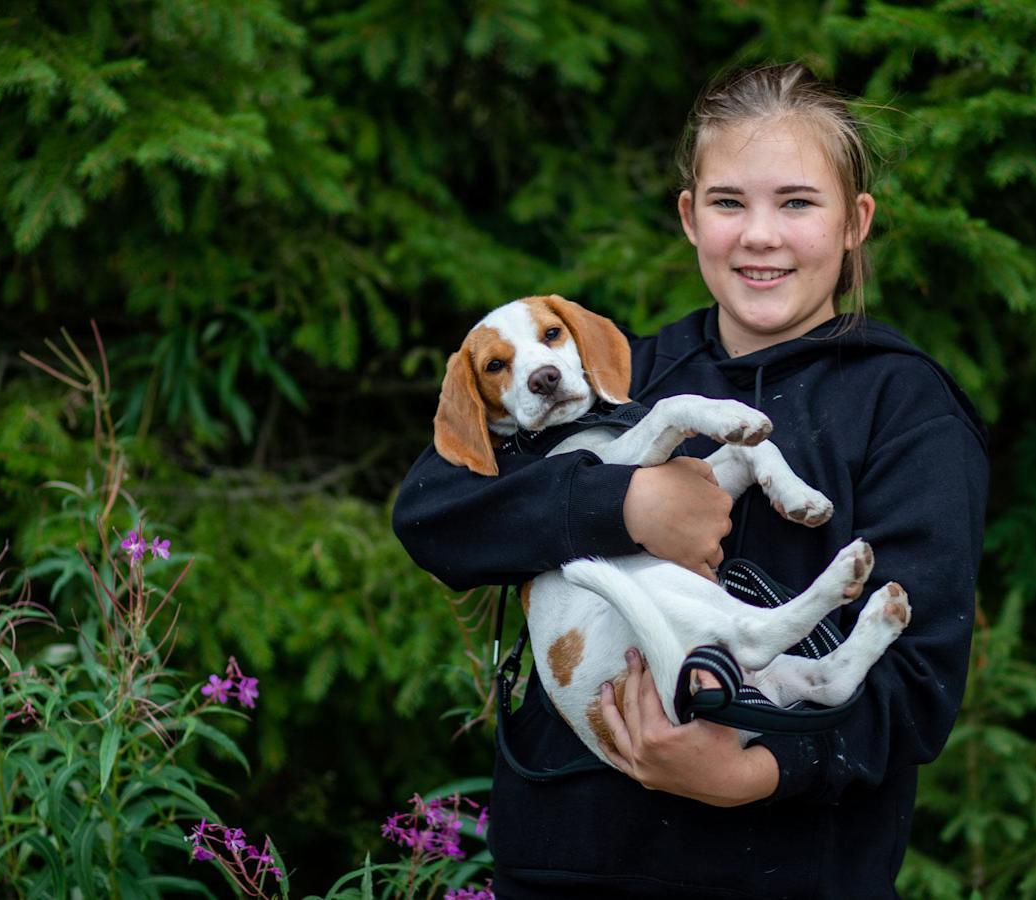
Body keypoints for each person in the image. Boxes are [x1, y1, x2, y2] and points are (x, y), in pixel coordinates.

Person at [392, 63, 988, 899]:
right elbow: (434, 512)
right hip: (568, 869)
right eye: (728, 202)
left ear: (856, 221)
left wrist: (757, 769)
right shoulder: (616, 378)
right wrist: (623, 503)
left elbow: (919, 677)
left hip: (782, 877)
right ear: (689, 216)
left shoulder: (905, 407)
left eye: (797, 203)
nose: (760, 235)